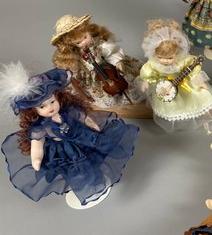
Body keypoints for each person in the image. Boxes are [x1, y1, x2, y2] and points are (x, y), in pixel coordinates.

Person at [0, 62, 139, 206]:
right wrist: (36, 159)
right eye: (42, 106)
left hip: (83, 137)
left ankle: (97, 182)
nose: (50, 107)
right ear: (33, 110)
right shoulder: (39, 127)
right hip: (63, 150)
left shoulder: (69, 110)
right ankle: (86, 185)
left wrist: (93, 126)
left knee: (93, 159)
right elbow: (37, 145)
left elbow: (85, 118)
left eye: (52, 101)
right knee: (75, 169)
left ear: (57, 97)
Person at [139, 19, 212, 131]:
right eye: (160, 57)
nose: (165, 61)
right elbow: (149, 71)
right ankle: (176, 119)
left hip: (184, 83)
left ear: (177, 52)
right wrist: (146, 81)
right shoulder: (154, 63)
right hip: (165, 87)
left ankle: (202, 118)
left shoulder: (183, 60)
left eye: (170, 58)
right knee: (171, 104)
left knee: (195, 99)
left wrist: (200, 81)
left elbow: (194, 69)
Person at [51, 14, 145, 108]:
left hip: (109, 70)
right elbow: (73, 70)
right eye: (78, 42)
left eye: (85, 37)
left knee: (126, 79)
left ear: (88, 31)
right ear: (71, 44)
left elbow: (110, 51)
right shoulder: (74, 53)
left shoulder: (97, 43)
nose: (84, 42)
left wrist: (117, 61)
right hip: (95, 78)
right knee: (104, 92)